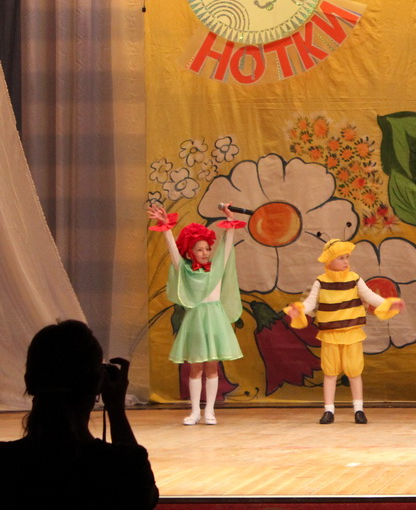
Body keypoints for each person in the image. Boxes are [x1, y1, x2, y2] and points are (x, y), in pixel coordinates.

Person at [0, 320, 158, 508]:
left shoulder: (6, 462)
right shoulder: (126, 465)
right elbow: (142, 497)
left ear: (29, 381)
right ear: (98, 383)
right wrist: (116, 409)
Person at [284, 239, 405, 424]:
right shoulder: (321, 282)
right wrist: (299, 310)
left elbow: (370, 296)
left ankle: (359, 410)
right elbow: (310, 303)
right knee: (330, 373)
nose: (346, 261)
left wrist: (388, 304)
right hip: (330, 334)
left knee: (354, 372)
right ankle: (329, 410)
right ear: (329, 260)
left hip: (352, 333)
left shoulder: (354, 279)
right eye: (341, 258)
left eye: (347, 257)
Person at [148, 202, 244, 425]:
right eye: (199, 250)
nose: (205, 253)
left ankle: (209, 411)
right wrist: (166, 228)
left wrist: (229, 220)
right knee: (195, 368)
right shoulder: (185, 271)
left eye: (207, 249)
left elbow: (226, 246)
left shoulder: (217, 268)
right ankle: (194, 411)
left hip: (215, 321)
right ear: (190, 253)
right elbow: (173, 253)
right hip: (195, 322)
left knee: (212, 368)